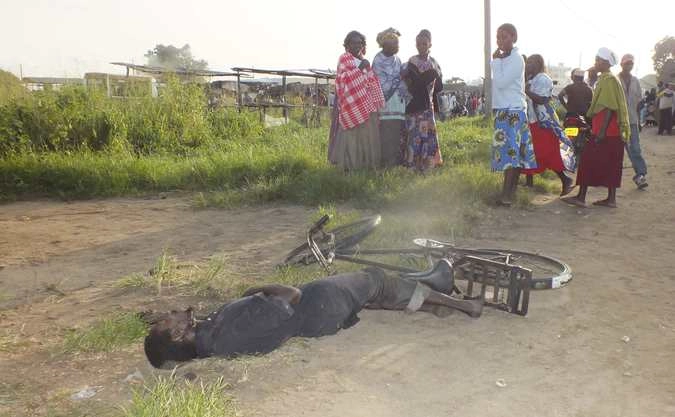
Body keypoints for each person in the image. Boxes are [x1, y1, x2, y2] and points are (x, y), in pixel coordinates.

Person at [143, 262, 484, 368]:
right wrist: (256, 289)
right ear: (178, 336)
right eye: (167, 321)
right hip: (319, 304)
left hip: (317, 315)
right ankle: (465, 306)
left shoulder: (210, 337)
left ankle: (434, 303)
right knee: (377, 282)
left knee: (370, 296)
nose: (170, 313)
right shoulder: (228, 334)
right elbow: (291, 295)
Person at [563, 48, 630, 209]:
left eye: (597, 60)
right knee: (612, 164)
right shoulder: (608, 79)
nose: (595, 63)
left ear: (605, 62)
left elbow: (609, 107)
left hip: (606, 131)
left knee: (587, 161)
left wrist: (601, 131)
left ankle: (581, 197)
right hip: (609, 130)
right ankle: (611, 199)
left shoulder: (608, 80)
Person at [490, 23, 537, 206]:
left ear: (514, 38)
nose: (500, 40)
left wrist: (495, 62)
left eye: (504, 37)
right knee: (513, 154)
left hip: (512, 111)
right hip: (507, 110)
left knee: (511, 155)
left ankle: (506, 196)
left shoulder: (516, 59)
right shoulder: (507, 59)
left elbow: (501, 83)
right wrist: (498, 61)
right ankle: (510, 194)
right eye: (498, 37)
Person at [328, 31, 385, 171]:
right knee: (351, 138)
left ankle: (367, 168)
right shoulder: (344, 59)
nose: (357, 45)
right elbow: (342, 80)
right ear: (347, 45)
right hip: (350, 105)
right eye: (353, 43)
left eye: (360, 43)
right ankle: (351, 168)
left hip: (367, 105)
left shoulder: (364, 61)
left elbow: (371, 81)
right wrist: (360, 68)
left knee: (367, 138)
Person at [521, 54, 575, 196]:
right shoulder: (531, 79)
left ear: (538, 64)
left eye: (531, 62)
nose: (527, 65)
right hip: (532, 120)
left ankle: (566, 180)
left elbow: (541, 99)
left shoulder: (544, 79)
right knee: (530, 151)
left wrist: (527, 91)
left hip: (544, 122)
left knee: (547, 152)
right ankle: (529, 182)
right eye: (527, 62)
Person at [401, 30, 444, 172]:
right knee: (414, 136)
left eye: (424, 44)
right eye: (418, 44)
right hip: (415, 106)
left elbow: (439, 87)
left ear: (430, 44)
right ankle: (412, 166)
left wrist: (434, 75)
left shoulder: (434, 62)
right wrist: (430, 74)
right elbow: (413, 84)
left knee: (427, 137)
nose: (421, 46)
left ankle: (427, 165)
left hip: (428, 107)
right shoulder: (412, 61)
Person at [373, 28, 409, 166]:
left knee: (397, 135)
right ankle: (386, 165)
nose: (397, 46)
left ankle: (396, 164)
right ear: (385, 45)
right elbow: (382, 86)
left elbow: (402, 83)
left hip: (399, 105)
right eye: (395, 44)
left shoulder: (397, 60)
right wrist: (400, 77)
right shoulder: (378, 60)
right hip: (386, 106)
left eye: (398, 43)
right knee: (387, 136)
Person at [618, 54, 648, 189]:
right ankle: (608, 177)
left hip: (632, 122)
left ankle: (640, 175)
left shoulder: (636, 81)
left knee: (635, 149)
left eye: (631, 63)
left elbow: (639, 102)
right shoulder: (615, 80)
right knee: (615, 151)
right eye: (627, 63)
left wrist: (639, 121)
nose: (629, 66)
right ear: (621, 64)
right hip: (617, 122)